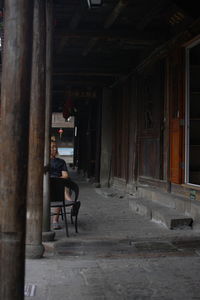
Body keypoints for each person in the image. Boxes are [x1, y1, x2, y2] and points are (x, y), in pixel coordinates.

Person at [50, 140, 72, 230]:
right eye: (52, 147)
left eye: (56, 147)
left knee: (60, 188)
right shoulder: (41, 160)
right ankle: (71, 203)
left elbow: (65, 175)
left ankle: (55, 221)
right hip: (44, 186)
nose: (55, 149)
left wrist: (56, 180)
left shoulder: (61, 161)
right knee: (60, 188)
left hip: (58, 185)